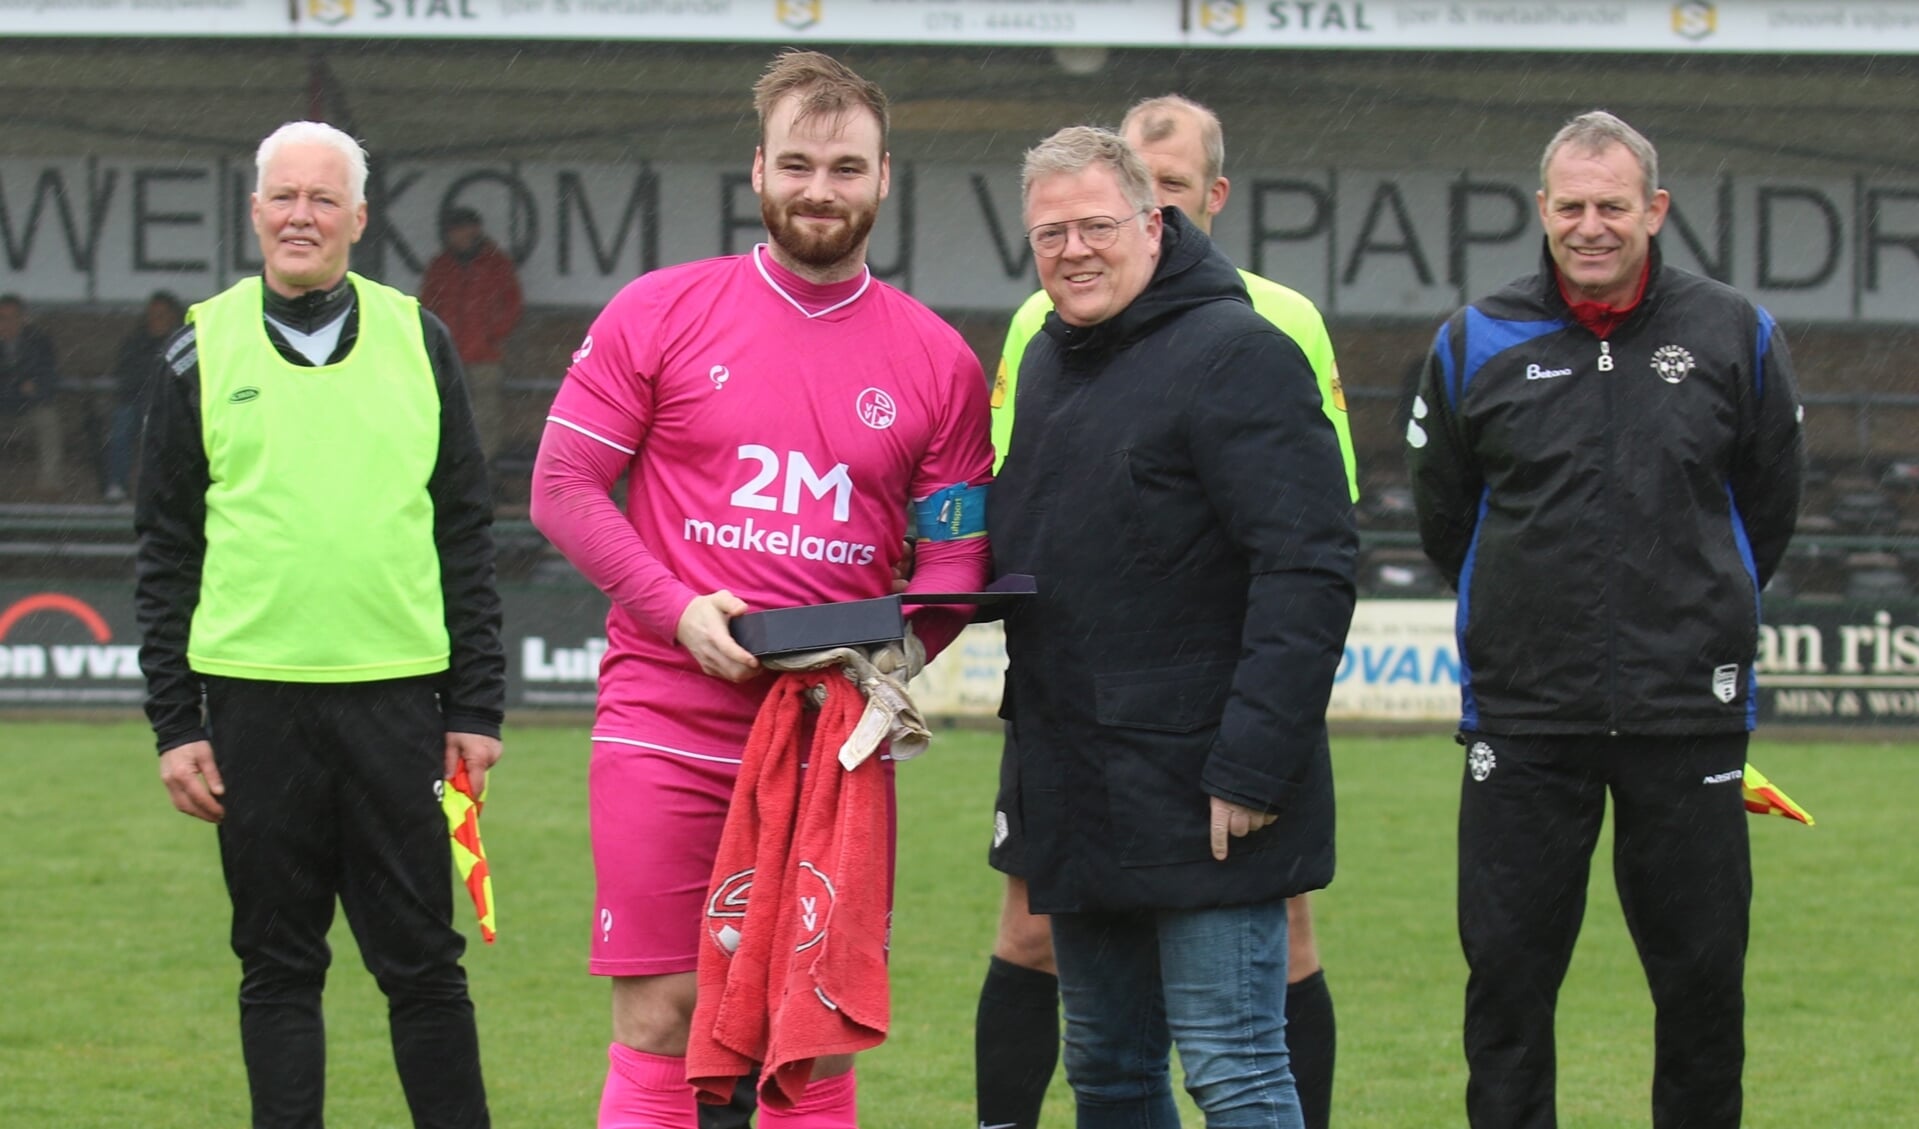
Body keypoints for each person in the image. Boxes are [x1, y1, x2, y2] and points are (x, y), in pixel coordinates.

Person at [527, 50, 992, 1129]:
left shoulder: (938, 361)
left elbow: (954, 563)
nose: (818, 188)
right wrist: (677, 608)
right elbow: (562, 485)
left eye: (843, 166)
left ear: (884, 180)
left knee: (810, 1032)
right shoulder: (660, 309)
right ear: (757, 171)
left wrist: (888, 667)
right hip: (664, 717)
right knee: (660, 1016)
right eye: (796, 163)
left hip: (828, 740)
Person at [1406, 111, 1804, 1129]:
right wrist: (1527, 623)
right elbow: (1446, 519)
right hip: (1523, 720)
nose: (1590, 226)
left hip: (1687, 718)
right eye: (1570, 206)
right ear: (1540, 211)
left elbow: (1765, 510)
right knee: (1505, 990)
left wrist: (1688, 613)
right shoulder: (1471, 340)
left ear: (1653, 210)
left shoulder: (1734, 334)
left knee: (1702, 991)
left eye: (1611, 206)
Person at [980, 96, 1353, 1129]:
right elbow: (1024, 552)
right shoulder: (1049, 359)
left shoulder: (1239, 351)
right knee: (1104, 1072)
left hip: (1207, 793)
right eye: (1049, 233)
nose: (1072, 251)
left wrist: (1250, 764)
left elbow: (1309, 567)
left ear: (1155, 223)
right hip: (1077, 784)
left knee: (1232, 1072)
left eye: (1095, 225)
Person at [134, 120, 505, 1129]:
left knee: (424, 967)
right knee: (278, 968)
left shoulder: (418, 339)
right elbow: (165, 553)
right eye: (283, 196)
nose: (302, 215)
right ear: (255, 212)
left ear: (358, 217)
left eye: (322, 198)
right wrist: (177, 723)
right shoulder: (194, 352)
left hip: (398, 703)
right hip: (253, 708)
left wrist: (476, 701)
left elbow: (463, 530)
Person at [420, 204, 524, 459]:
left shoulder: (497, 264)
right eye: (453, 231)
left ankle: (485, 471)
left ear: (475, 230)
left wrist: (493, 335)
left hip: (485, 355)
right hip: (449, 355)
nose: (456, 236)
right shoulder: (440, 265)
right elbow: (427, 305)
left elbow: (512, 304)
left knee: (486, 417)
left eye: (461, 229)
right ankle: (451, 469)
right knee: (445, 413)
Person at [103, 290, 183, 502]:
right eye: (152, 314)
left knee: (176, 428)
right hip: (135, 402)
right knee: (121, 425)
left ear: (173, 316)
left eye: (162, 314)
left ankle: (172, 491)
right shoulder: (134, 342)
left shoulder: (183, 342)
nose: (156, 320)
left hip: (173, 404)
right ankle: (117, 486)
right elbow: (127, 377)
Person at [0, 293, 65, 495]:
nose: (7, 323)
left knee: (48, 418)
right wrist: (20, 385)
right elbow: (24, 384)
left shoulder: (39, 342)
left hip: (29, 409)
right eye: (2, 318)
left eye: (13, 317)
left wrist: (21, 388)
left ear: (23, 318)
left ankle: (49, 483)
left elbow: (49, 381)